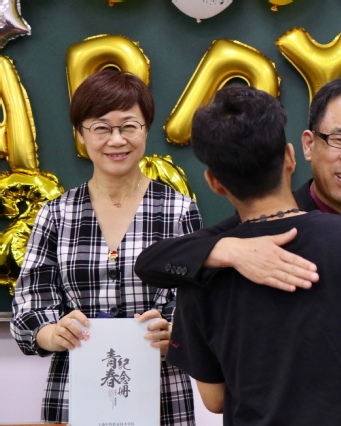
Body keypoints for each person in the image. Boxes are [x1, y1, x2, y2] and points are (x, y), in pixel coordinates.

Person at [135, 77, 341, 424]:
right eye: (339, 140)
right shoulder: (228, 247)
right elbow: (152, 261)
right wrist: (228, 250)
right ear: (301, 149)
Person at [10, 69, 202, 425]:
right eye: (101, 128)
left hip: (163, 394)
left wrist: (175, 335)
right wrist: (53, 333)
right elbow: (29, 308)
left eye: (129, 126)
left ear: (146, 129)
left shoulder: (179, 211)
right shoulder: (56, 214)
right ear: (80, 134)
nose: (117, 140)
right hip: (74, 392)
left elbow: (201, 305)